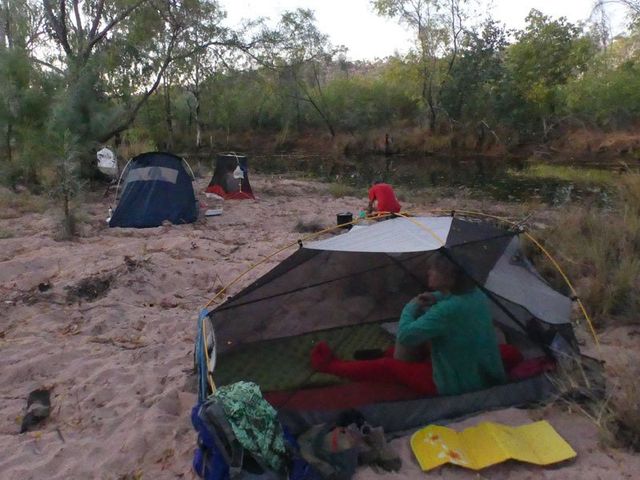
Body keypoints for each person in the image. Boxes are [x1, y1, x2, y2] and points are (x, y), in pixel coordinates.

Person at [311, 254, 512, 396]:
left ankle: (332, 366)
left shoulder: (446, 311)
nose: (429, 272)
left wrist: (410, 306)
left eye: (434, 270)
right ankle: (384, 353)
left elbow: (406, 336)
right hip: (476, 371)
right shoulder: (476, 295)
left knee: (389, 367)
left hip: (452, 384)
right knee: (423, 345)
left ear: (449, 278)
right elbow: (456, 299)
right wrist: (437, 296)